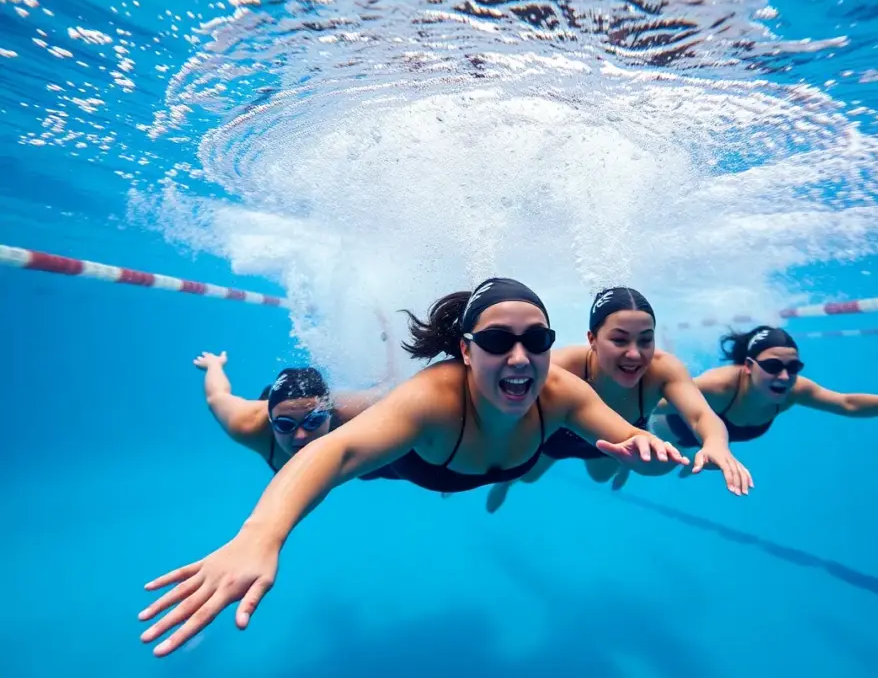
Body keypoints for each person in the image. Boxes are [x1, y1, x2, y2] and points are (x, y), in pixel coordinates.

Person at [139, 277, 689, 657]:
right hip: (409, 456)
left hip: (484, 458)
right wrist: (260, 535)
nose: (521, 357)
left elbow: (636, 441)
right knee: (346, 415)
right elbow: (333, 454)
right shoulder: (431, 401)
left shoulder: (561, 391)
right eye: (499, 341)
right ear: (466, 350)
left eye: (537, 340)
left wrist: (651, 453)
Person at [485, 286, 752, 513]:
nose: (634, 354)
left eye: (645, 340)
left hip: (617, 443)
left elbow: (701, 415)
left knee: (600, 476)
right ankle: (507, 482)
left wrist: (716, 444)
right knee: (528, 476)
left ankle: (625, 466)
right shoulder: (561, 366)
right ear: (592, 339)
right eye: (619, 340)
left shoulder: (663, 369)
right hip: (554, 439)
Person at [656, 325, 878, 460]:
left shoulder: (794, 390)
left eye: (793, 367)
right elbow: (644, 401)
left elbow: (847, 404)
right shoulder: (718, 386)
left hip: (705, 444)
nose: (784, 376)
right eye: (772, 366)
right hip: (669, 426)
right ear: (749, 366)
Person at [192, 310, 398, 473]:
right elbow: (217, 396)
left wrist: (389, 331)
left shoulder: (346, 412)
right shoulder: (247, 424)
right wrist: (214, 365)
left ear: (329, 413)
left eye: (313, 421)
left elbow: (391, 388)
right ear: (271, 421)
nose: (300, 436)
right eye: (285, 425)